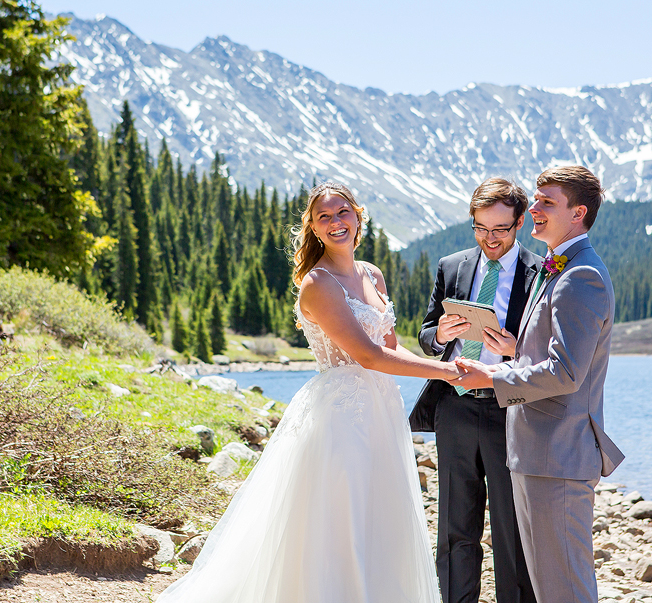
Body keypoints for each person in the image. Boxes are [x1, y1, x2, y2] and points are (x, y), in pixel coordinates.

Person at [156, 180, 456, 603]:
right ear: (313, 228)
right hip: (340, 416)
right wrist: (447, 373)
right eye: (324, 217)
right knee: (339, 520)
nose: (336, 223)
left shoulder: (372, 273)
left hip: (382, 411)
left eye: (342, 213)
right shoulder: (318, 283)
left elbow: (390, 347)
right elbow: (368, 356)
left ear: (358, 217)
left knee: (382, 517)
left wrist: (441, 352)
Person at [452, 165, 625, 603]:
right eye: (535, 199)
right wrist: (515, 350)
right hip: (536, 453)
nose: (534, 208)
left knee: (565, 590)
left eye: (547, 202)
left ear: (578, 212)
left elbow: (566, 373)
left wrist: (492, 376)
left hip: (558, 456)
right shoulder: (560, 268)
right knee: (550, 589)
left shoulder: (580, 275)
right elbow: (551, 358)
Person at [408, 177, 542, 603]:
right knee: (454, 527)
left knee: (512, 531)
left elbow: (548, 354)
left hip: (511, 410)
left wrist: (516, 350)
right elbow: (426, 335)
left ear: (520, 222)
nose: (489, 239)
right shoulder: (452, 266)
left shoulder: (541, 272)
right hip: (455, 407)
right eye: (480, 229)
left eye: (500, 230)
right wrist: (442, 334)